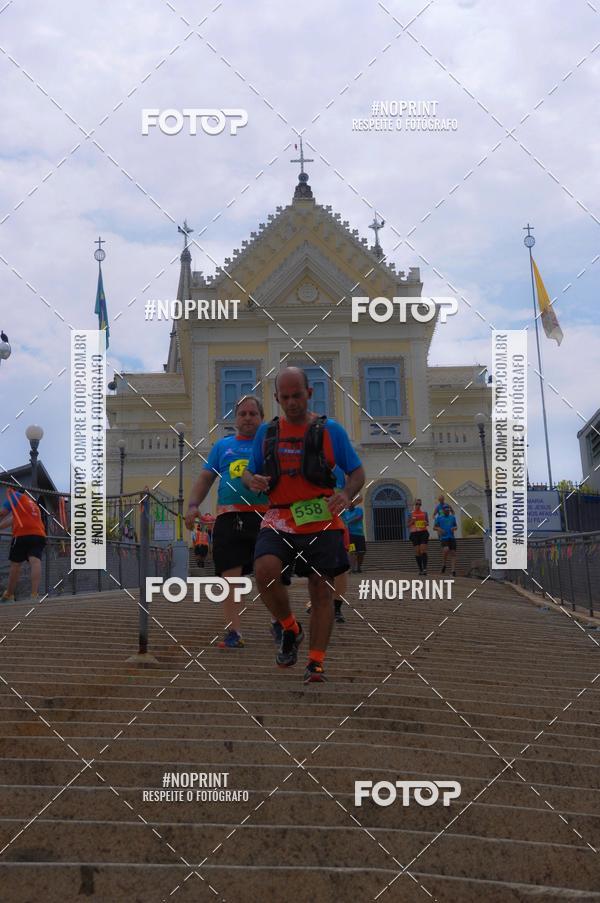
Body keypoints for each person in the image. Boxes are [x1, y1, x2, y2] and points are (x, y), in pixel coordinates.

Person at [243, 367, 365, 683]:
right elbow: (248, 471)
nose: (292, 402)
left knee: (321, 587)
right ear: (276, 398)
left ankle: (316, 661)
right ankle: (290, 627)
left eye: (297, 395)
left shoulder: (331, 431)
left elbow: (357, 473)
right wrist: (252, 479)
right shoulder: (267, 433)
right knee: (264, 572)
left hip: (321, 517)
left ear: (309, 393)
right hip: (280, 516)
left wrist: (346, 494)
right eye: (285, 397)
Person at [185, 395, 269, 649]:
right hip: (229, 519)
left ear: (261, 418)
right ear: (236, 418)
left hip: (265, 518)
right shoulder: (223, 446)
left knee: (269, 576)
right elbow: (205, 478)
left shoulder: (269, 446)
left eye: (253, 414)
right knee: (230, 579)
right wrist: (192, 505)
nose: (247, 418)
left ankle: (281, 624)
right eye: (242, 414)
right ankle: (234, 631)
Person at [0, 487, 47, 602]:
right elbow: (12, 519)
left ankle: (9, 594)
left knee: (15, 564)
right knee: (35, 561)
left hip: (23, 534)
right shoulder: (32, 504)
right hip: (39, 534)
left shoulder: (14, 496)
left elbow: (2, 513)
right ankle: (34, 594)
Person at [434, 503, 458, 576]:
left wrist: (454, 528)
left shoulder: (452, 517)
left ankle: (453, 571)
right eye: (446, 510)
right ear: (443, 511)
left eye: (448, 510)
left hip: (451, 537)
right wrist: (439, 529)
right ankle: (444, 564)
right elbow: (434, 527)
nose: (447, 511)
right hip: (444, 537)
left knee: (453, 553)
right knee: (446, 549)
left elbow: (456, 526)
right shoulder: (439, 518)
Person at [408, 498, 430, 575]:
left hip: (423, 532)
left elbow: (427, 523)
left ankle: (425, 569)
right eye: (417, 504)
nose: (418, 505)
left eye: (419, 504)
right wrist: (412, 522)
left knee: (423, 550)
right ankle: (420, 569)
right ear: (414, 504)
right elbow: (407, 525)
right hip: (414, 533)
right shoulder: (410, 514)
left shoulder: (424, 513)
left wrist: (425, 523)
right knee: (417, 552)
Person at [344, 500, 366, 573]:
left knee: (361, 552)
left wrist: (349, 521)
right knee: (352, 552)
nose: (350, 505)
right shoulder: (345, 513)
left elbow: (359, 517)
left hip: (360, 535)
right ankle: (352, 569)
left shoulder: (359, 509)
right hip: (350, 535)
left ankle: (359, 567)